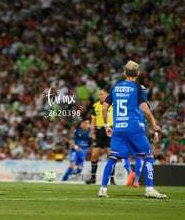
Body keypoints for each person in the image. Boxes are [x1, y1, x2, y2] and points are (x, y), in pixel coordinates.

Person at [98, 60, 166, 199]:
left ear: (124, 72)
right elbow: (144, 108)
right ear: (138, 73)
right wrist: (153, 124)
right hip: (134, 128)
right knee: (147, 156)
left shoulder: (115, 87)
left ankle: (103, 188)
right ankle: (149, 188)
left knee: (113, 158)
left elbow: (104, 108)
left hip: (118, 129)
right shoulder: (139, 88)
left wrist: (106, 126)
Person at [86, 88, 117, 185]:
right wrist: (92, 132)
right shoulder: (95, 106)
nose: (100, 96)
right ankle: (93, 177)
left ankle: (112, 178)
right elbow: (93, 120)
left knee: (110, 155)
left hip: (110, 130)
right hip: (99, 132)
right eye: (99, 94)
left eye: (101, 94)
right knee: (94, 154)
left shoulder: (113, 104)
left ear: (107, 95)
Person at [61, 117, 91, 181]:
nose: (87, 125)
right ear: (82, 124)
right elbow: (71, 142)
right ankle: (63, 180)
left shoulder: (91, 131)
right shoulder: (77, 131)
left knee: (79, 170)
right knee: (72, 166)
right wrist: (77, 147)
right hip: (75, 151)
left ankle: (68, 175)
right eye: (86, 123)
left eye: (88, 123)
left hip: (83, 152)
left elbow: (92, 143)